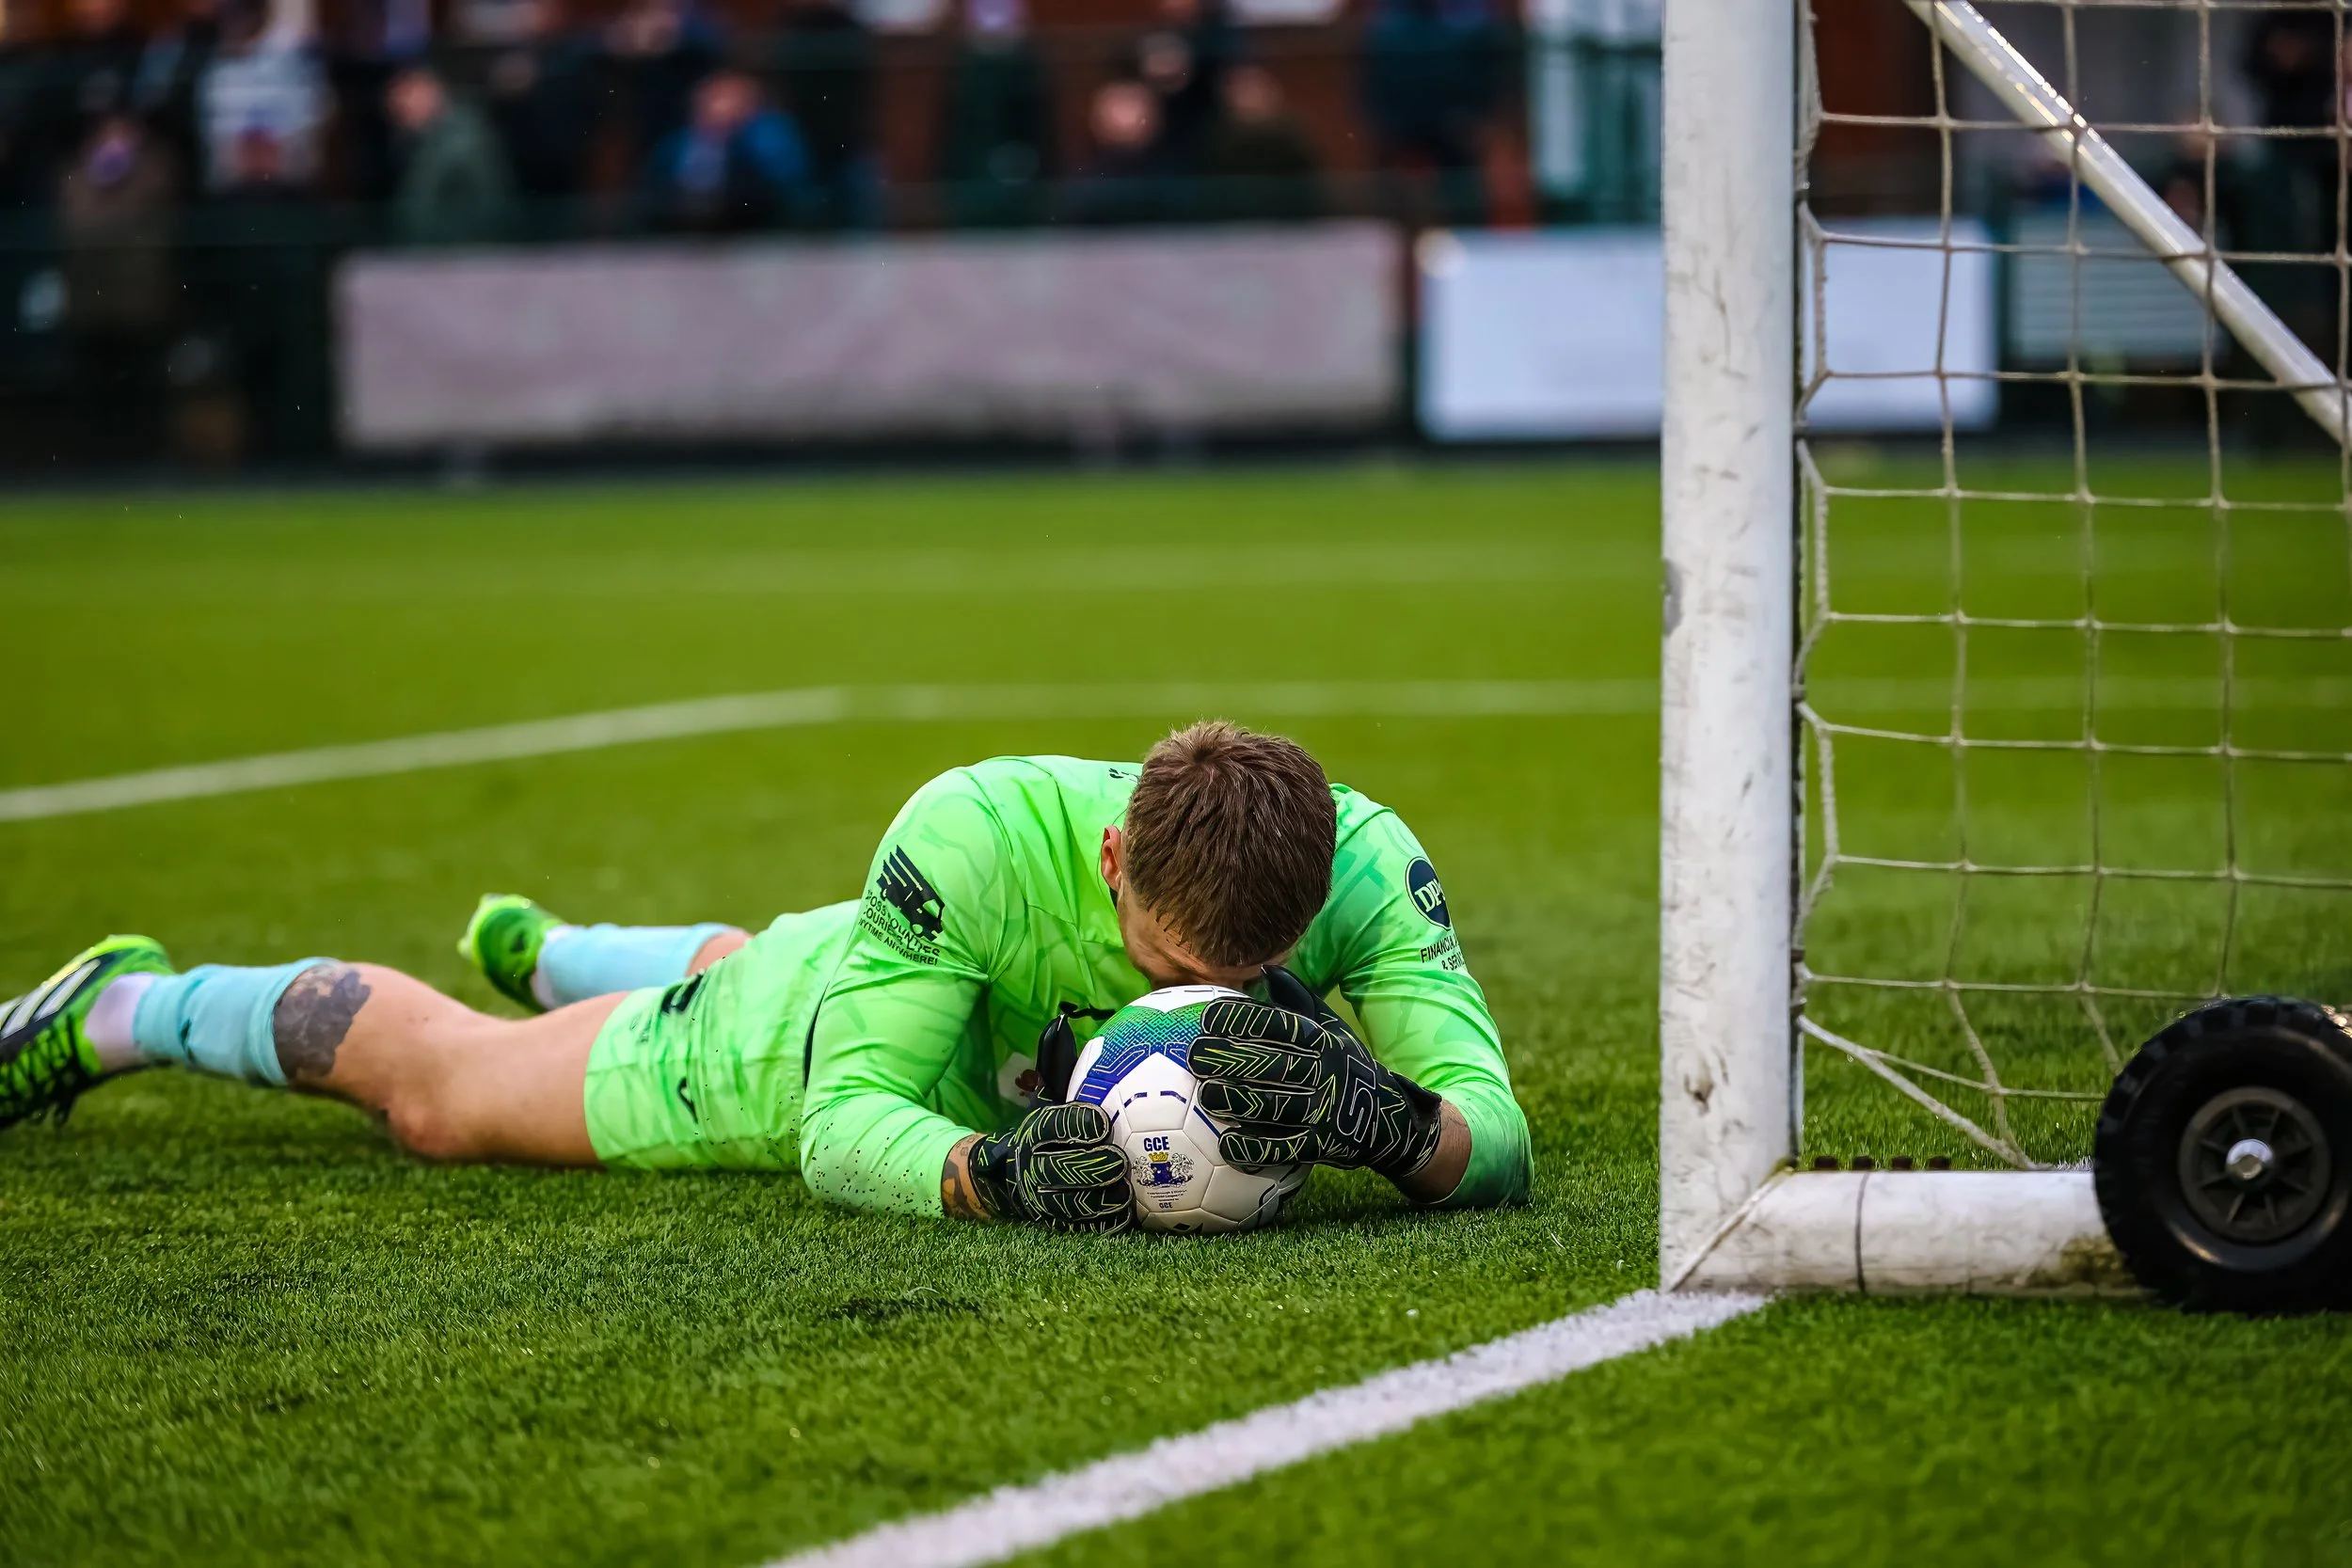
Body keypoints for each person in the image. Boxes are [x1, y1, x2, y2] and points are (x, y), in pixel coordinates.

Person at [0, 723, 1531, 1231]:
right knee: (443, 1096)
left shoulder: (1366, 864)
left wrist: (1403, 1126)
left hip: (886, 964)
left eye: (1242, 980)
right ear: (1117, 853)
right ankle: (123, 1003)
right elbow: (841, 1121)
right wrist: (990, 1174)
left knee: (809, 955)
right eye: (1163, 971)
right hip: (793, 1032)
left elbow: (1497, 1129)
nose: (1195, 1006)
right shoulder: (975, 832)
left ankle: (561, 952)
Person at [641, 66, 805, 231]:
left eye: (729, 98)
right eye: (711, 98)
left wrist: (739, 135)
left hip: (758, 225)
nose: (719, 106)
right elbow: (656, 181)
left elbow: (785, 179)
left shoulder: (768, 134)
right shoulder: (678, 141)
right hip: (680, 226)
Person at [936, 0, 1053, 229]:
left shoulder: (1026, 65)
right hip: (972, 174)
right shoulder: (963, 67)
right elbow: (952, 130)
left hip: (1022, 174)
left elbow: (1038, 128)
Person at [768, 0, 876, 229]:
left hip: (847, 138)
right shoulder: (791, 30)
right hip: (802, 138)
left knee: (859, 209)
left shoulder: (850, 28)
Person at [384, 65, 516, 245]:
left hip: (463, 253)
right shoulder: (427, 141)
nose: (398, 107)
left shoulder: (463, 142)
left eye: (406, 96)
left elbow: (490, 209)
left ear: (430, 91)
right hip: (436, 253)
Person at [1199, 62, 1322, 223]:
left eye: (1255, 89)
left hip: (1290, 226)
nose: (1249, 97)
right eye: (1242, 90)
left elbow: (1309, 190)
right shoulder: (1215, 140)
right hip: (1233, 227)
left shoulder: (1292, 137)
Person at [1064, 75, 1181, 226]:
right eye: (1119, 108)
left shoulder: (1173, 175)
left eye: (1133, 105)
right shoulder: (1086, 183)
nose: (1128, 116)